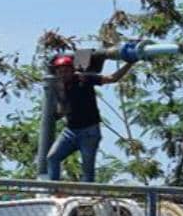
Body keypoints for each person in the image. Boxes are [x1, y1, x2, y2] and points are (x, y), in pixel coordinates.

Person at [47, 54, 135, 183]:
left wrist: (129, 63)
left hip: (89, 131)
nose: (63, 74)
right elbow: (63, 108)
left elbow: (112, 78)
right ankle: (53, 189)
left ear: (72, 70)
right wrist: (55, 115)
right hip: (70, 131)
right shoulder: (58, 86)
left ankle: (86, 195)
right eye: (60, 72)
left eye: (66, 71)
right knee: (52, 157)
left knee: (87, 168)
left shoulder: (84, 78)